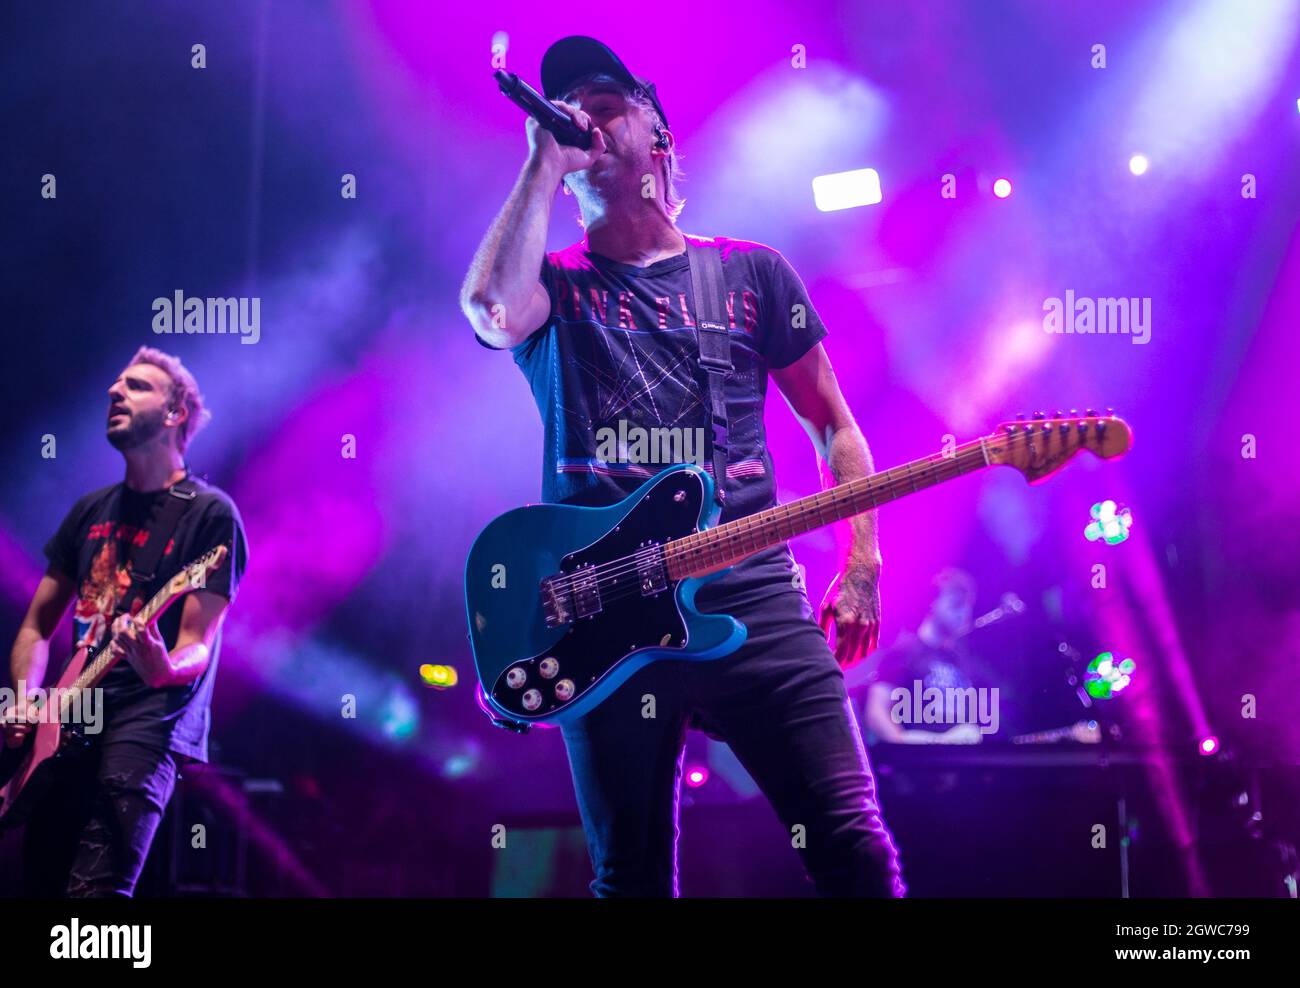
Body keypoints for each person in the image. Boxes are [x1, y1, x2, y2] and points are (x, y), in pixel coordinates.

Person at [461, 36, 902, 896]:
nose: (581, 112)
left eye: (603, 97)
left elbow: (835, 428)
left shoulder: (751, 272)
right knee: (631, 881)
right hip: (604, 620)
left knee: (854, 847)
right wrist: (542, 167)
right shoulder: (555, 285)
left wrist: (862, 565)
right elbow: (488, 307)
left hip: (753, 596)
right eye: (568, 103)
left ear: (656, 134)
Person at [2, 347, 248, 896]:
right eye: (115, 384)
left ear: (174, 413)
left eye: (136, 386)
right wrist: (23, 697)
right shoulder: (89, 511)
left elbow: (197, 645)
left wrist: (161, 666)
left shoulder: (209, 514)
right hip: (69, 714)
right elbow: (36, 627)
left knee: (95, 897)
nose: (115, 391)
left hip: (147, 720)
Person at [863, 568, 989, 744]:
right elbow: (876, 712)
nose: (964, 614)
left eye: (969, 607)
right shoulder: (904, 652)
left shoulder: (962, 660)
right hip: (916, 764)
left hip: (956, 764)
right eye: (956, 604)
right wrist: (904, 745)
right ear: (933, 602)